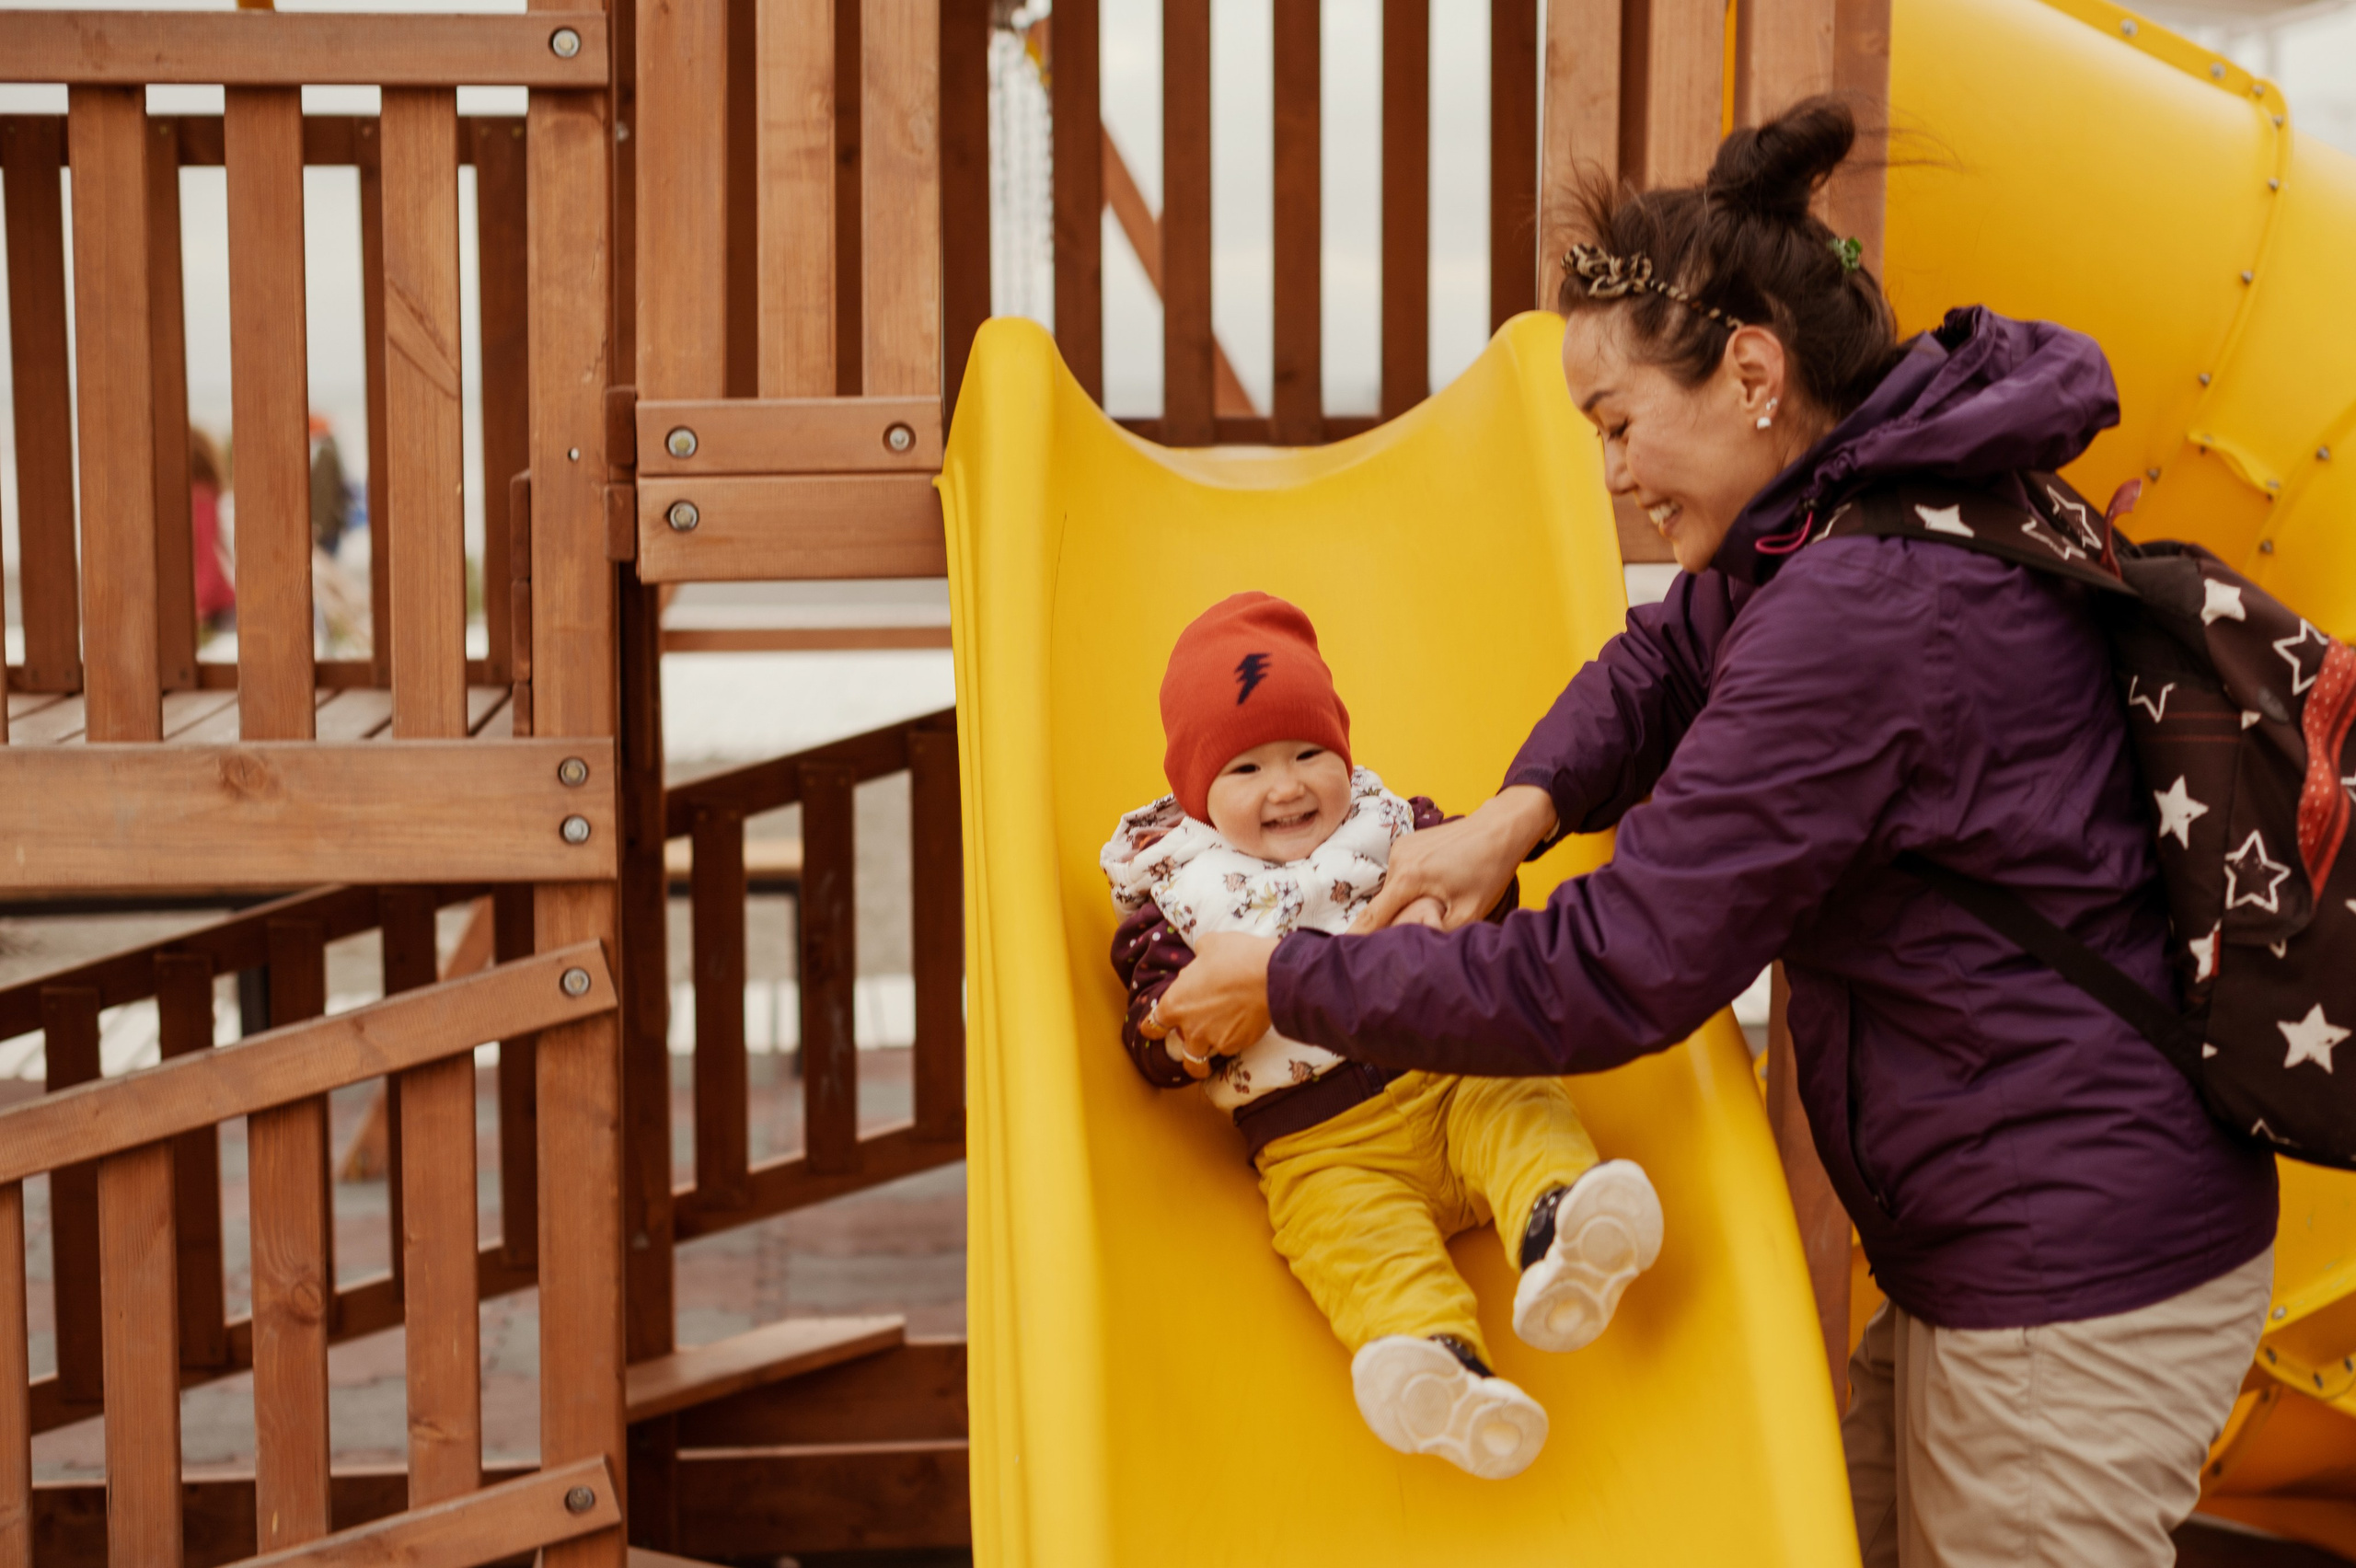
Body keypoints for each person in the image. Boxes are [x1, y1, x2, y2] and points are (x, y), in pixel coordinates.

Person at [1146, 100, 2277, 1565]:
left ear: (1752, 370)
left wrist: (1289, 979)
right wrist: (1518, 812)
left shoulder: (1863, 618)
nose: (1613, 472)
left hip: (2078, 1259)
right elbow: (1670, 659)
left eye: (1618, 425)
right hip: (2000, 1230)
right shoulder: (1867, 504)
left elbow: (1613, 970)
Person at [1106, 592, 1663, 1481]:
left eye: (1308, 754)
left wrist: (1462, 907)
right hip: (1321, 1147)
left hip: (1453, 1077)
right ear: (1197, 795)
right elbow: (1155, 1033)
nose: (1286, 785)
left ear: (1345, 754)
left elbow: (1490, 893)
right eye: (1246, 770)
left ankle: (1561, 1226)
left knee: (1521, 1104)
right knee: (1351, 1242)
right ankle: (1440, 1368)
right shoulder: (1176, 896)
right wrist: (1182, 1039)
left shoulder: (1399, 831)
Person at [189, 427, 236, 633]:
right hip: (221, 599)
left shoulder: (197, 498)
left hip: (213, 605)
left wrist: (199, 604)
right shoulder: (210, 494)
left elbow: (206, 556)